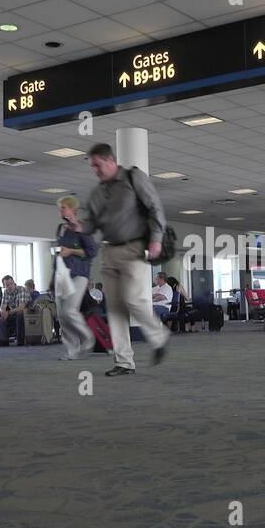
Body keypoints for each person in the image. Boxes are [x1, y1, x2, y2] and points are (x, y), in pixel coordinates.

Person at [77, 143, 169, 377]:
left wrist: (156, 239)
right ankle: (124, 362)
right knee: (115, 307)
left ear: (110, 160)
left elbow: (155, 207)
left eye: (97, 165)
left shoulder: (133, 177)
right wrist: (78, 225)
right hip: (109, 252)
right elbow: (91, 224)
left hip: (134, 248)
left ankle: (159, 336)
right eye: (92, 166)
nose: (95, 170)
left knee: (133, 299)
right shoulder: (96, 193)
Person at [53, 195, 97, 361]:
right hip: (61, 274)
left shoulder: (83, 228)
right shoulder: (61, 229)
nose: (60, 211)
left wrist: (71, 251)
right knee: (62, 315)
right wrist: (52, 275)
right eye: (60, 208)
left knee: (70, 310)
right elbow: (58, 253)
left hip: (80, 274)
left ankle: (88, 338)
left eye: (63, 207)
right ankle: (71, 351)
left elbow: (92, 252)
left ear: (73, 210)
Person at [0, 275, 29, 346]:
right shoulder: (5, 292)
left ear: (14, 282)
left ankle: (20, 340)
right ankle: (3, 340)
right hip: (13, 312)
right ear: (4, 286)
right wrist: (2, 312)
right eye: (7, 285)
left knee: (20, 313)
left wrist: (8, 312)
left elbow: (21, 307)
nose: (10, 286)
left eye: (11, 283)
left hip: (25, 312)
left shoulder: (21, 289)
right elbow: (2, 306)